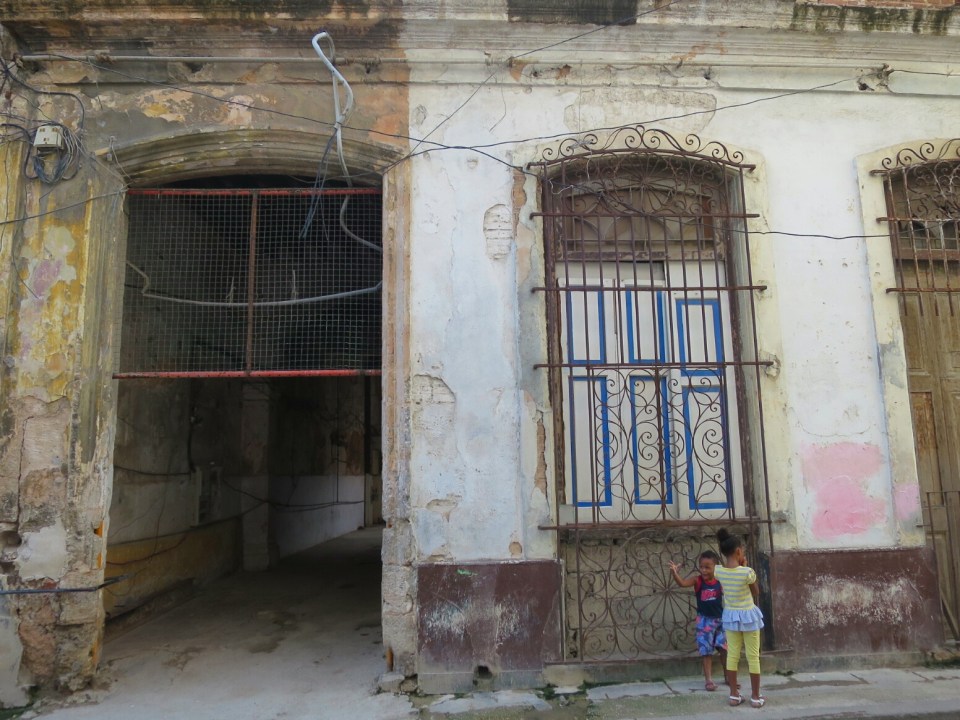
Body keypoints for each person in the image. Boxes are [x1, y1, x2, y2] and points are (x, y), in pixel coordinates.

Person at [714, 528, 765, 708]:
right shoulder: (747, 572)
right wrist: (745, 567)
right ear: (738, 552)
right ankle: (756, 697)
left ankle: (734, 695)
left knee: (732, 655)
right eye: (742, 550)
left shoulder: (718, 571)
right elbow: (756, 591)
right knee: (753, 656)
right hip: (749, 617)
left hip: (731, 618)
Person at [668, 550, 727, 691]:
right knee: (706, 652)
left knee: (725, 650)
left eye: (707, 567)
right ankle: (709, 680)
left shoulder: (720, 581)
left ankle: (728, 677)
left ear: (715, 567)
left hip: (721, 621)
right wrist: (675, 574)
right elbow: (682, 583)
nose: (704, 570)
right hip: (704, 622)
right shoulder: (697, 580)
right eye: (701, 567)